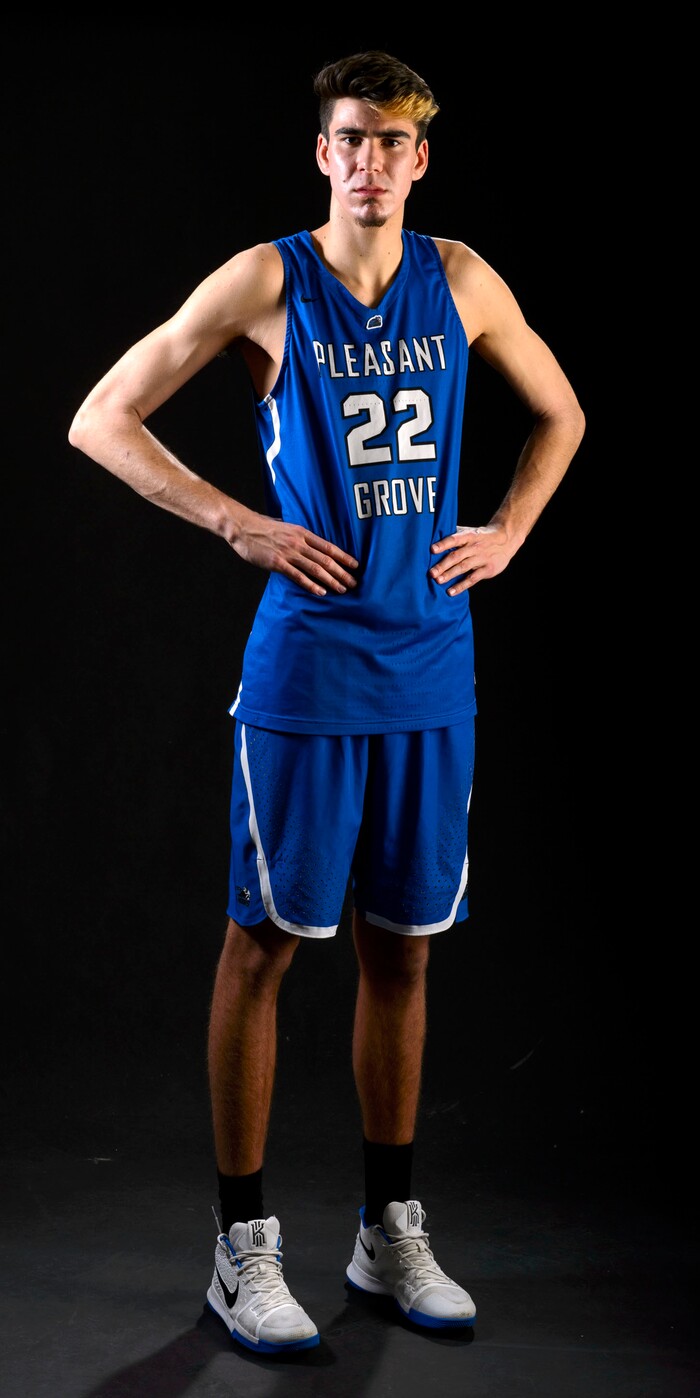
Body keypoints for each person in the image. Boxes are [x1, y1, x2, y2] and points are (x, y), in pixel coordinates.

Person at [68, 49, 585, 1355]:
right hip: (306, 672)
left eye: (393, 142)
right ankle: (243, 1245)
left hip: (432, 666)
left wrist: (511, 528)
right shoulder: (266, 280)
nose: (370, 162)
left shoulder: (461, 280)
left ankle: (387, 1227)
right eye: (350, 138)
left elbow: (562, 414)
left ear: (423, 159)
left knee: (402, 949)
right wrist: (237, 519)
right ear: (322, 152)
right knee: (265, 942)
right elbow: (101, 417)